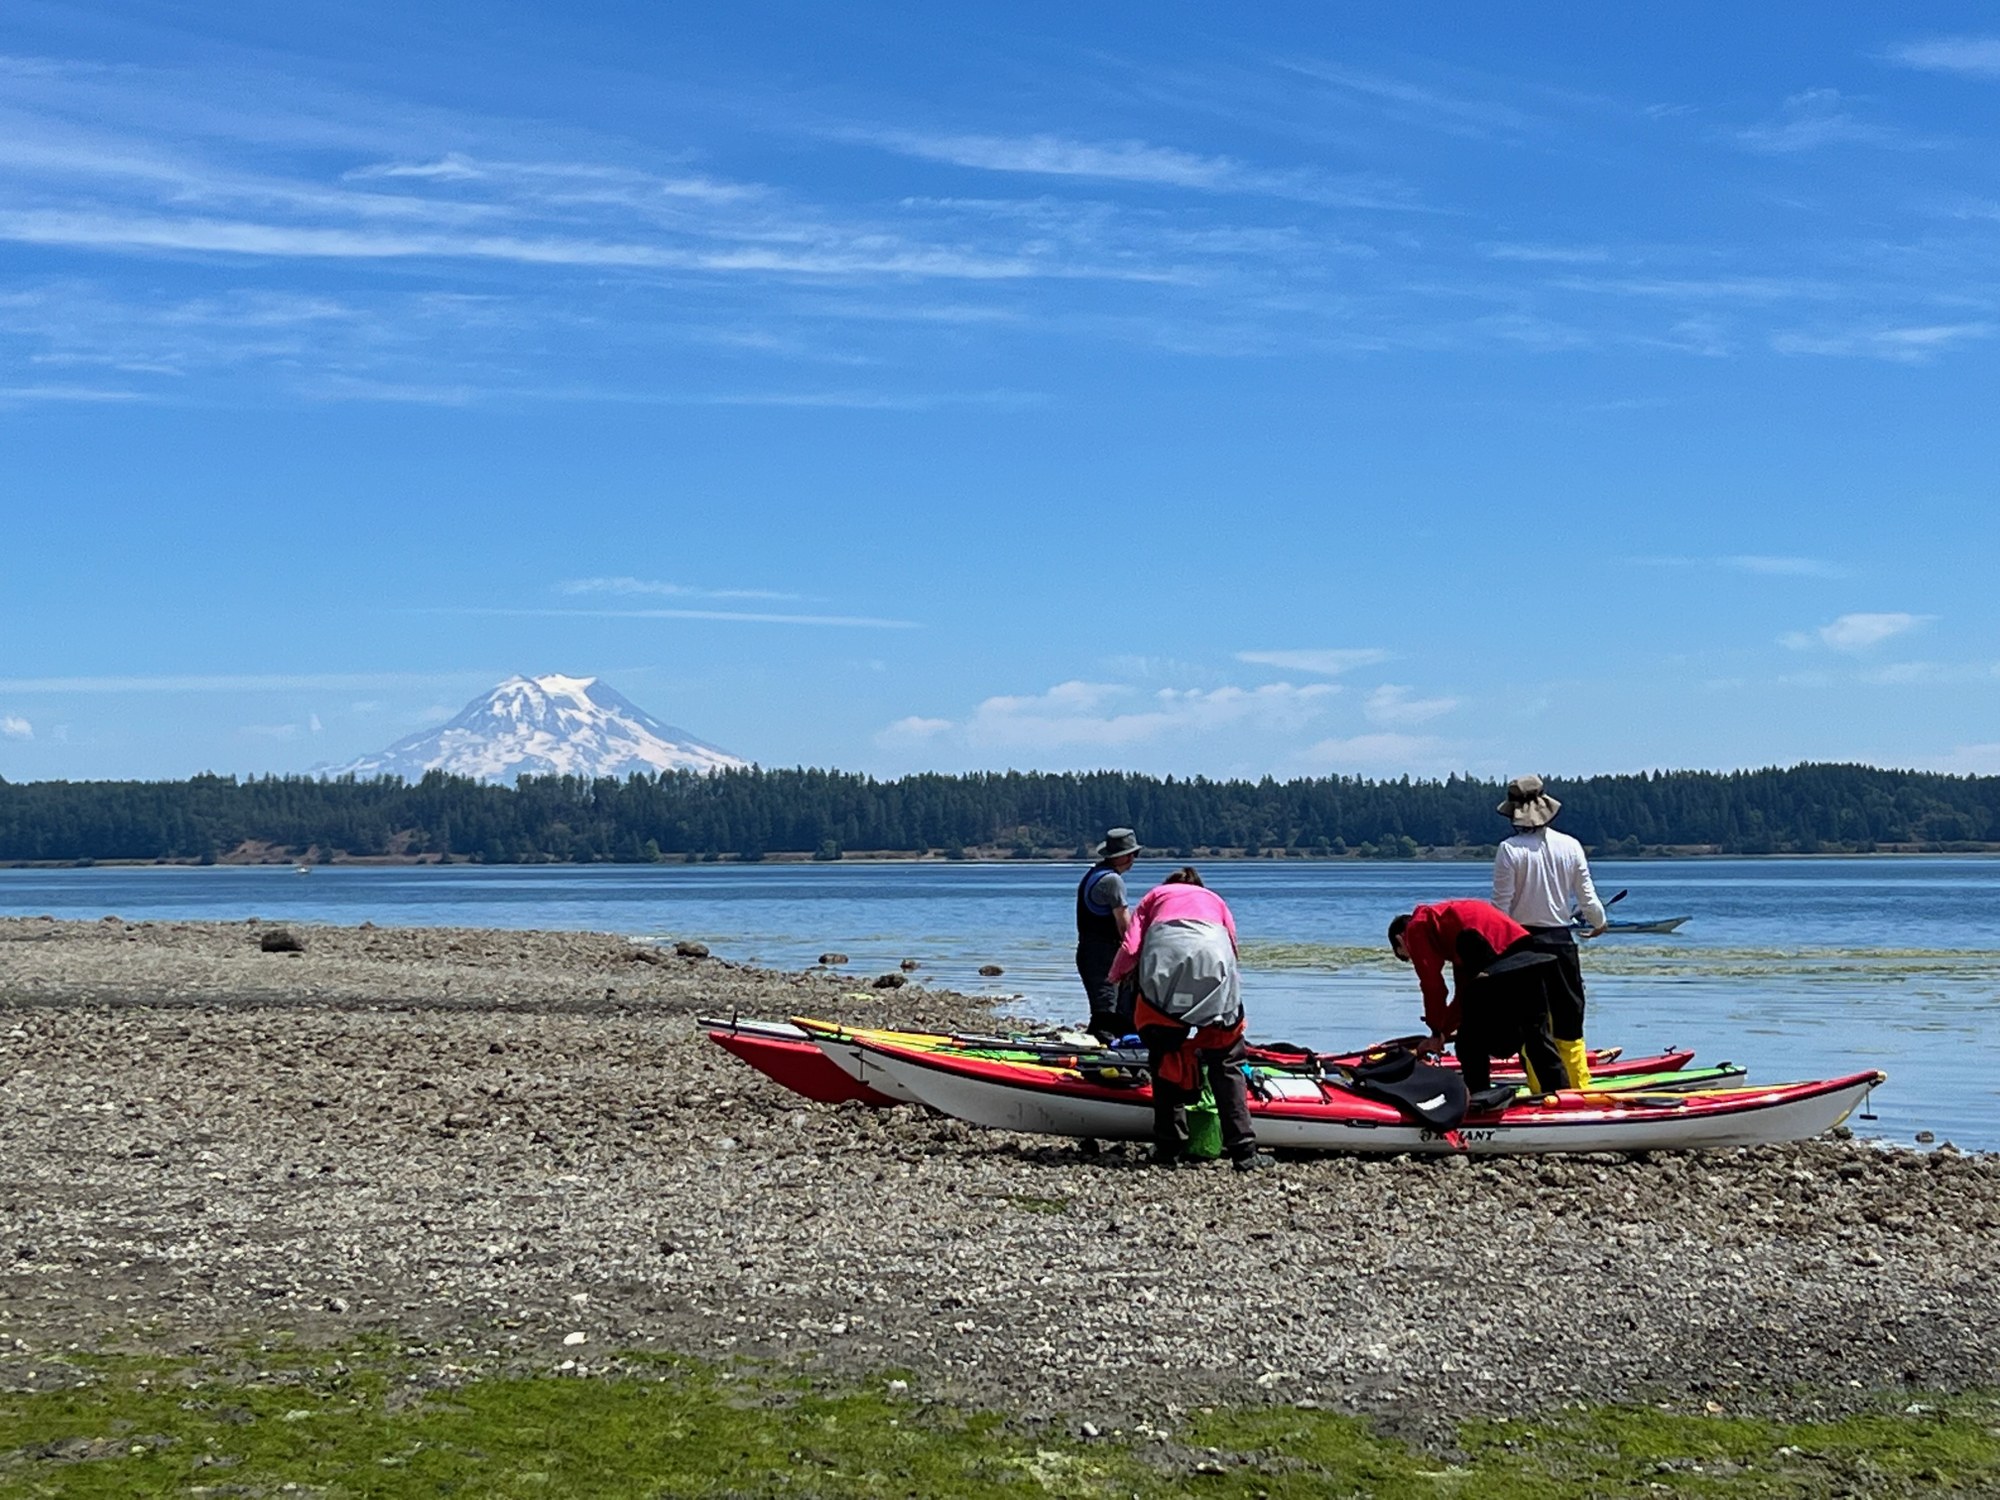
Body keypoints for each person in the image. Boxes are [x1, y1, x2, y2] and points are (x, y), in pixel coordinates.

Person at [1109, 867, 1273, 1171]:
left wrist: (1115, 977)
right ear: (1199, 886)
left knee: (1165, 1055)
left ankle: (1169, 1148)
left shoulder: (1154, 897)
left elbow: (1131, 946)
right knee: (1227, 1062)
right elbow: (1232, 949)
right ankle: (1244, 1152)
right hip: (1215, 965)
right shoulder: (1215, 900)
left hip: (1164, 970)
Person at [1386, 898, 1570, 1095]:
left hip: (1498, 963)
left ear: (1400, 939)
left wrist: (1435, 1030)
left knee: (1469, 1042)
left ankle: (1478, 1098)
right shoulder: (1449, 929)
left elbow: (1433, 986)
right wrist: (1442, 1033)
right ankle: (1562, 1096)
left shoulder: (1416, 928)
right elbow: (1462, 996)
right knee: (1537, 1036)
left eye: (1406, 956)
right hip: (1529, 956)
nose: (1413, 959)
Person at [1491, 774, 1601, 1088]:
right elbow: (1588, 898)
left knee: (1532, 1026)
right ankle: (1579, 1090)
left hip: (1522, 944)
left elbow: (1500, 908)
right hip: (1562, 943)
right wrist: (1599, 923)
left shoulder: (1509, 850)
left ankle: (1544, 1093)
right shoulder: (1571, 845)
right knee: (1570, 1024)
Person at [1075, 827, 1140, 1042]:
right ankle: (1105, 1057)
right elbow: (1124, 925)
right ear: (1124, 856)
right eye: (1133, 855)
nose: (1134, 860)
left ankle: (1106, 1047)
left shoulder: (1094, 874)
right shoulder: (1112, 881)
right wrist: (1136, 954)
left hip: (1090, 952)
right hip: (1102, 956)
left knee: (1109, 1011)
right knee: (1107, 1013)